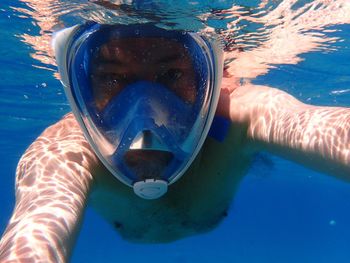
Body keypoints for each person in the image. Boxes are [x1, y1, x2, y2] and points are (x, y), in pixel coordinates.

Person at [0, 22, 349, 262]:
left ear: (208, 81)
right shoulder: (67, 150)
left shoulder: (240, 116)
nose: (145, 110)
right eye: (112, 78)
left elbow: (313, 126)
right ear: (83, 91)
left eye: (171, 74)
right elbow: (35, 228)